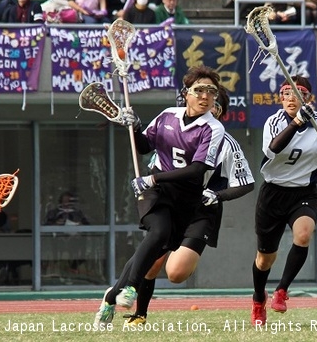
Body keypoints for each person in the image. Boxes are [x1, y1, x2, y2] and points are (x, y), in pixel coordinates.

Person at [93, 65, 225, 328]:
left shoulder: (213, 128)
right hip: (156, 192)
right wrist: (134, 127)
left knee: (159, 245)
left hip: (185, 198)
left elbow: (196, 170)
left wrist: (153, 178)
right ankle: (129, 288)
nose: (206, 96)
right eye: (199, 90)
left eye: (211, 91)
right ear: (186, 93)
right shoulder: (167, 115)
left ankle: (111, 296)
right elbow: (144, 146)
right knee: (159, 232)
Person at [123, 87, 255, 326]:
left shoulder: (227, 143)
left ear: (221, 112)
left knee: (176, 273)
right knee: (151, 265)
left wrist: (218, 196)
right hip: (173, 202)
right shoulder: (174, 129)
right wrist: (135, 129)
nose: (208, 107)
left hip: (201, 209)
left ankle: (185, 250)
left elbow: (246, 183)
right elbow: (150, 155)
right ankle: (139, 314)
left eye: (215, 106)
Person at [250, 76, 317, 326]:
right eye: (286, 93)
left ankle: (281, 291)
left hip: (304, 192)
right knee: (264, 258)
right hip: (273, 193)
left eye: (298, 93)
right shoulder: (274, 121)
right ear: (281, 99)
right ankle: (259, 298)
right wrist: (298, 121)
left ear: (309, 98)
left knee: (303, 234)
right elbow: (272, 149)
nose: (291, 98)